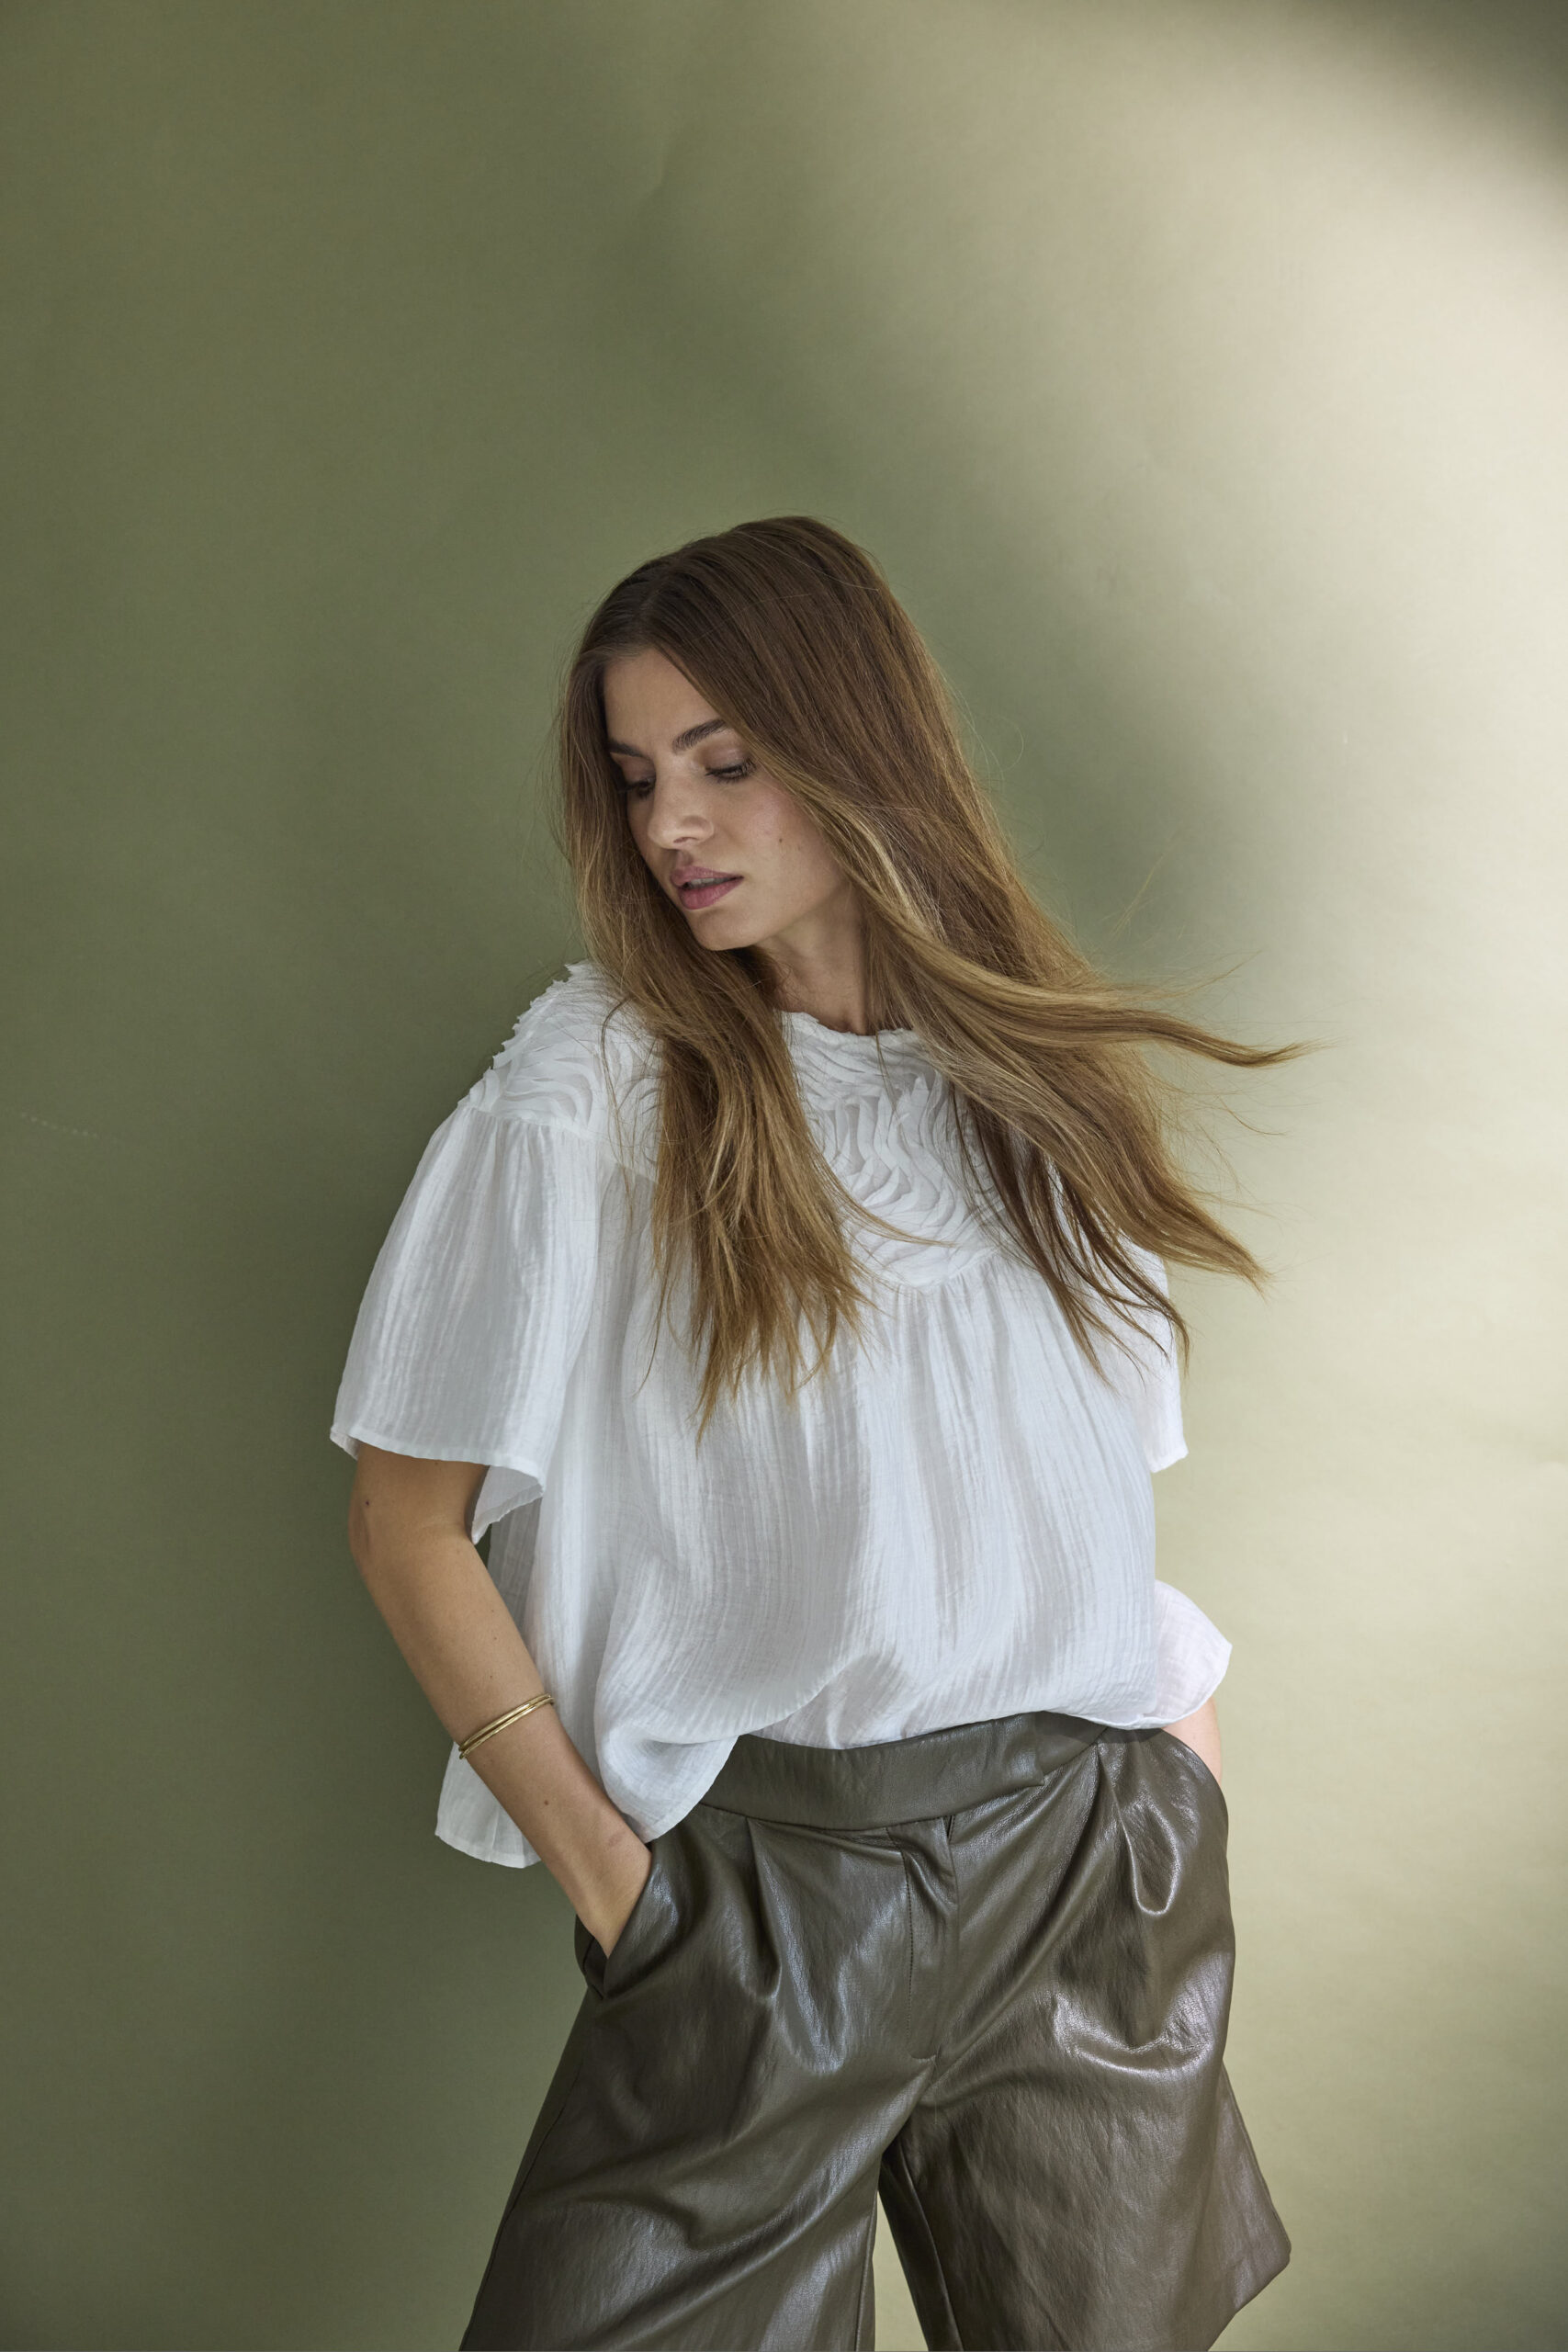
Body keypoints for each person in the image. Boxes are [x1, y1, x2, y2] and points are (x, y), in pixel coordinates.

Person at [331, 515, 1295, 2351]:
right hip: (759, 1899)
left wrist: (1180, 1790)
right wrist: (618, 1886)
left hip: (1081, 1866)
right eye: (636, 779)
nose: (671, 827)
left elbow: (1086, 1503)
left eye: (724, 763)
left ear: (859, 744)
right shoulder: (593, 1090)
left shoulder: (1030, 1084)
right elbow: (403, 1522)